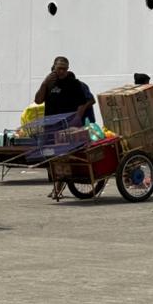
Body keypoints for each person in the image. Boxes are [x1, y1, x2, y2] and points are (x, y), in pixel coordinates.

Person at [34, 56, 96, 200]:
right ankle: (56, 185)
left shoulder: (74, 84)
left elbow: (83, 104)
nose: (61, 71)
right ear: (53, 68)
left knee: (63, 157)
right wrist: (44, 84)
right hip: (50, 126)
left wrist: (75, 121)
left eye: (64, 69)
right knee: (49, 156)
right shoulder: (49, 83)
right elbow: (38, 100)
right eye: (59, 68)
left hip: (67, 128)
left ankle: (58, 188)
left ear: (68, 69)